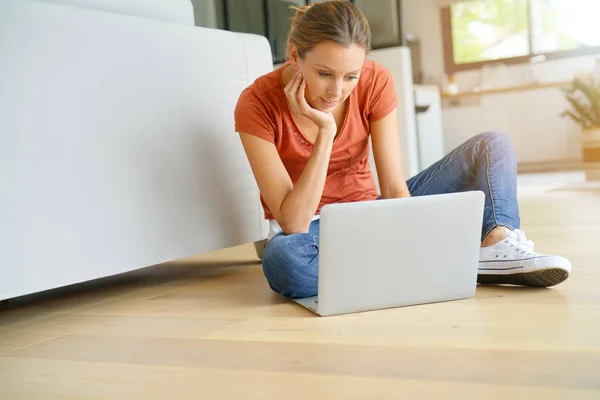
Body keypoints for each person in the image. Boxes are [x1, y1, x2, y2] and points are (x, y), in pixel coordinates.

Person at [234, 0, 571, 299]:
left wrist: (403, 233)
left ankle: (495, 244)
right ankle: (432, 260)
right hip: (311, 234)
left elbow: (394, 187)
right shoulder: (257, 104)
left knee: (492, 145)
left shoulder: (375, 79)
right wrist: (325, 131)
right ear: (295, 55)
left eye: (351, 76)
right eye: (325, 74)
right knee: (285, 262)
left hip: (374, 215)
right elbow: (293, 222)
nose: (337, 90)